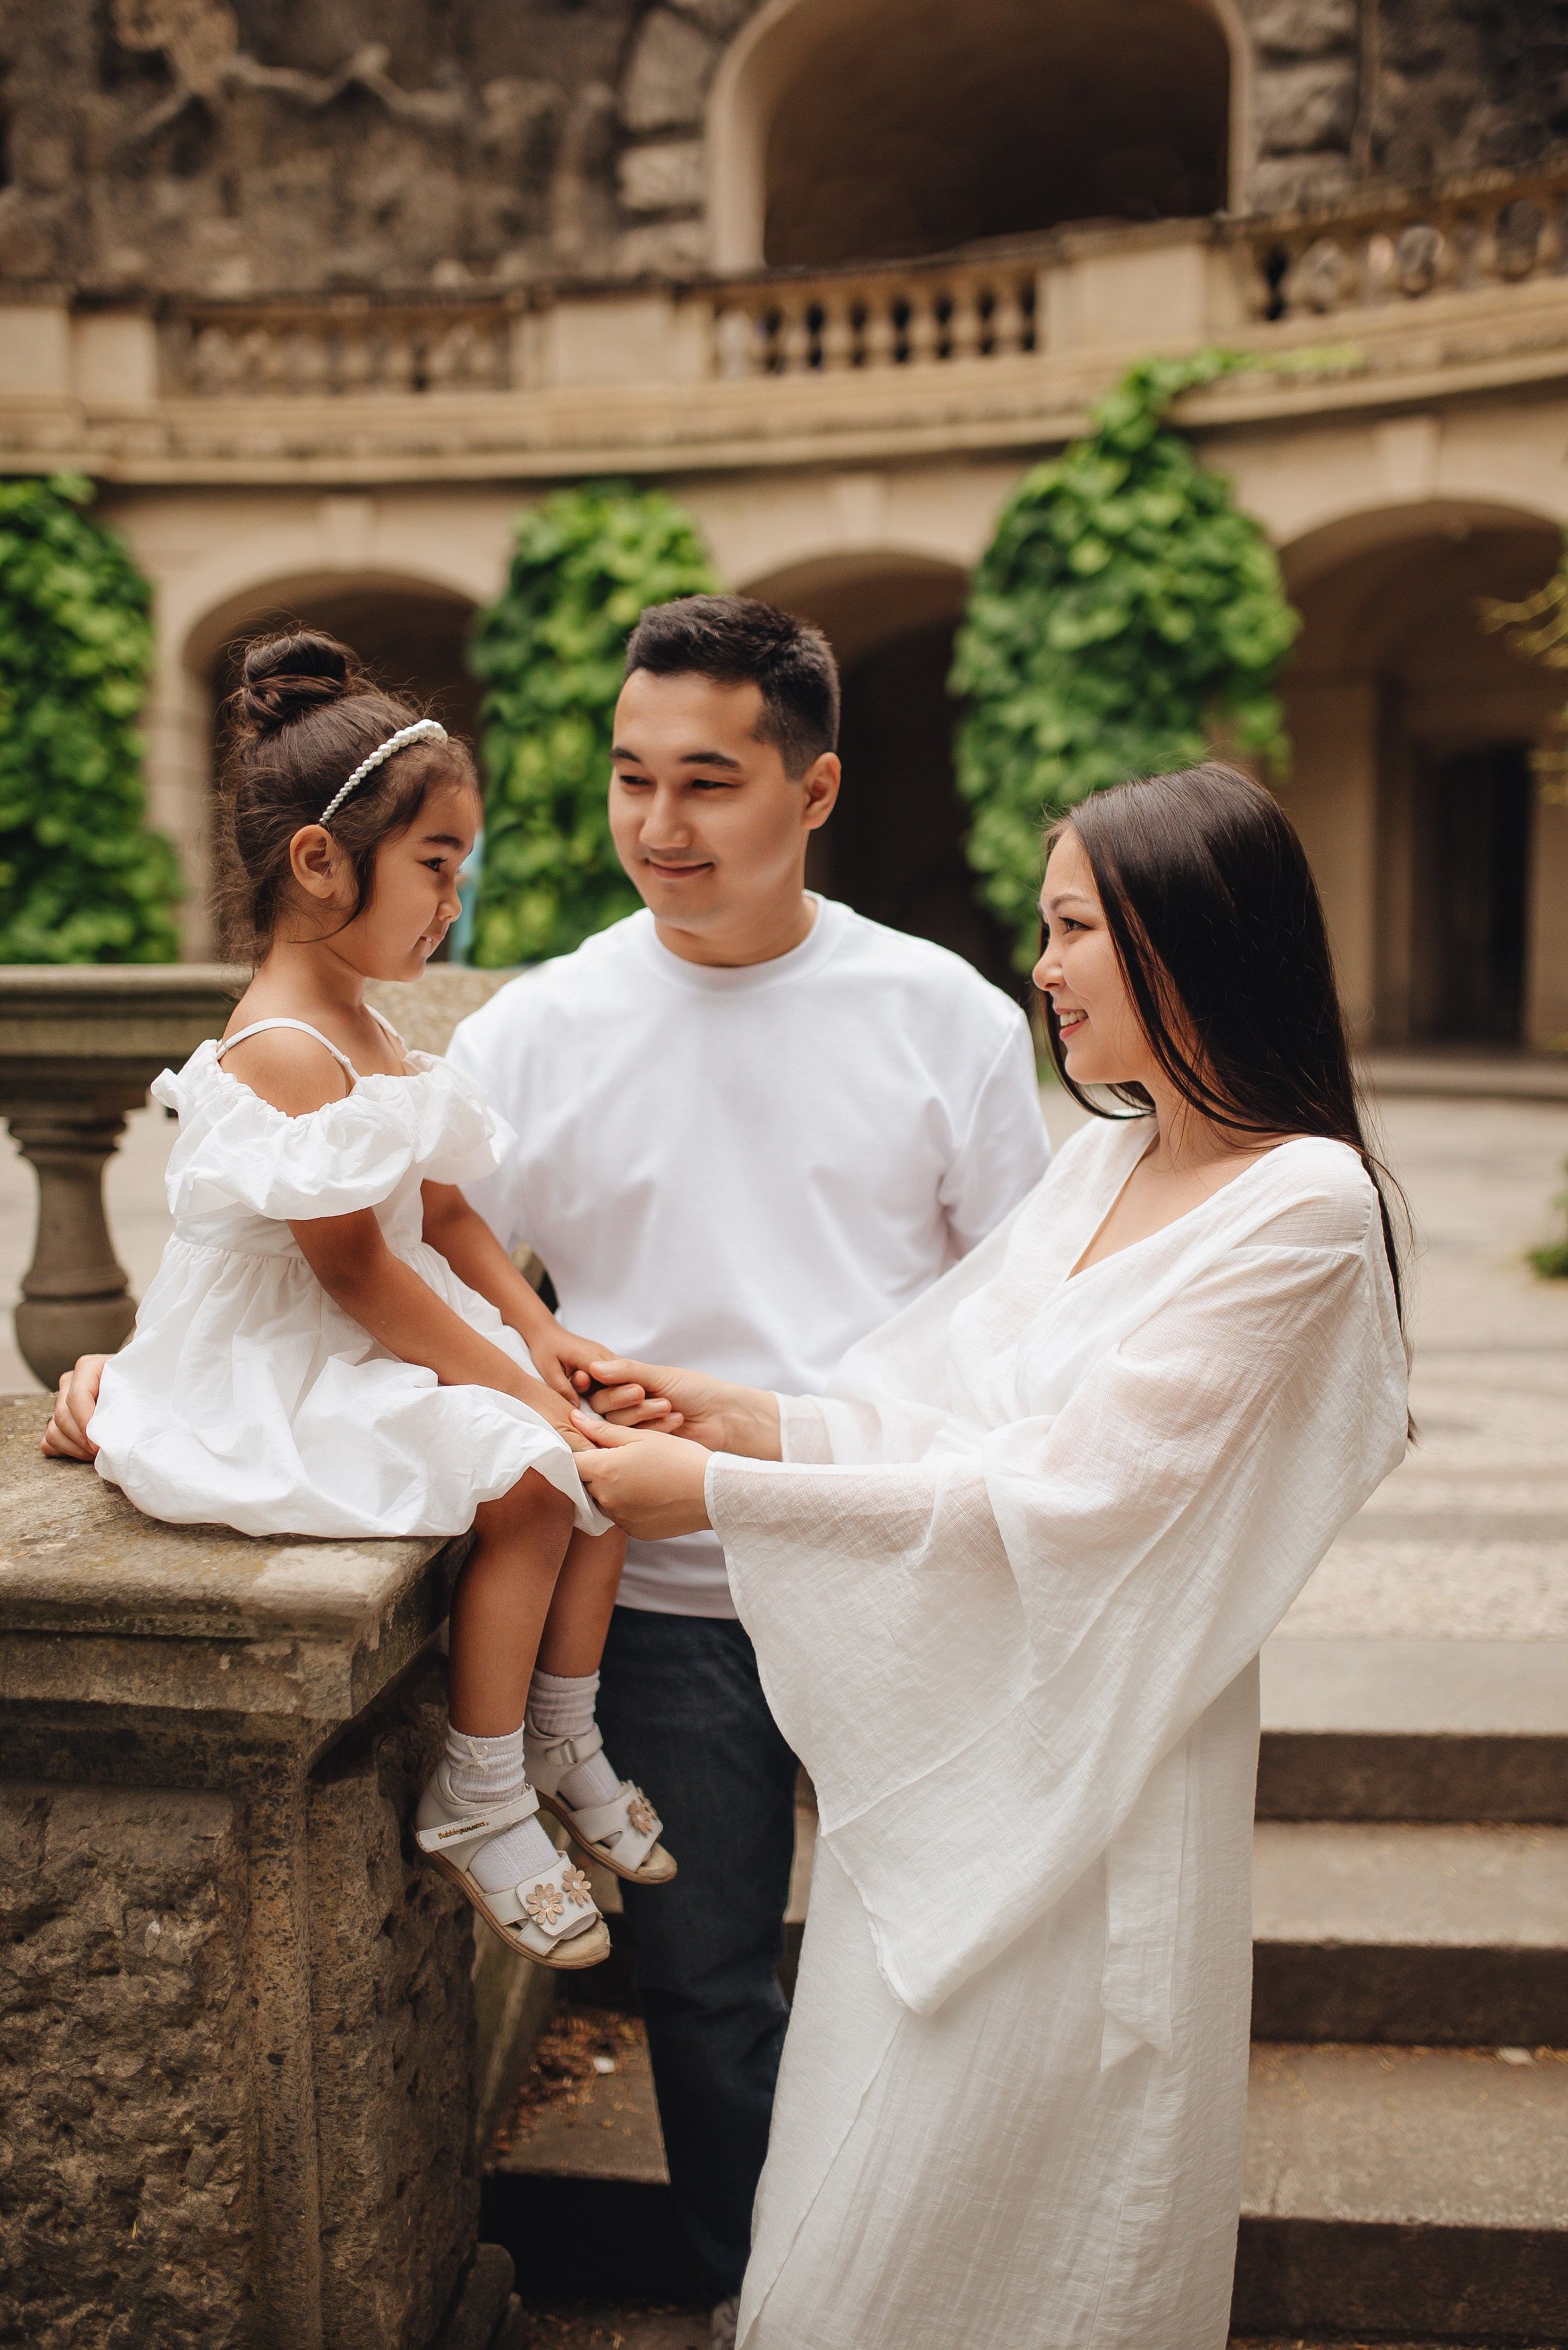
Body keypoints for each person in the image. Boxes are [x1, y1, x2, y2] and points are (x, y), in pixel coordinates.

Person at [45, 596, 1051, 2339]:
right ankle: (768, 2294)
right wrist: (153, 1378)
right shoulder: (534, 1026)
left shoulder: (946, 1019)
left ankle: (961, 2285)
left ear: (815, 791)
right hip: (658, 1600)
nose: (659, 825)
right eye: (628, 777)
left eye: (710, 782)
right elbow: (370, 1261)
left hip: (894, 1570)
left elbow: (1024, 1318)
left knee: (953, 1967)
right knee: (714, 1981)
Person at [564, 763, 1412, 2350]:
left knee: (1035, 2196)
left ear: (1190, 938)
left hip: (1099, 1761)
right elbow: (938, 1406)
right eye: (1047, 925)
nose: (1044, 965)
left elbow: (1082, 1495)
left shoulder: (1302, 1204)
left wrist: (725, 1501)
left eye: (1077, 926)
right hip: (958, 1759)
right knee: (855, 2181)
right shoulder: (1103, 1157)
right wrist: (749, 1426)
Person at [49, 628, 679, 1974]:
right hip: (289, 1355)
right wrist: (512, 1387)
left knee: (609, 1447)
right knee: (531, 1475)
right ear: (320, 861)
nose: (453, 901)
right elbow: (354, 1268)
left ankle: (564, 1729)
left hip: (376, 1318)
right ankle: (484, 1785)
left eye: (463, 865)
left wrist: (547, 1335)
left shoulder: (373, 1019)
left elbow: (445, 1211)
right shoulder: (286, 1041)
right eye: (435, 865)